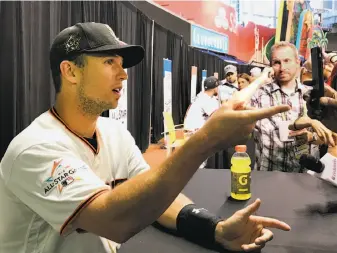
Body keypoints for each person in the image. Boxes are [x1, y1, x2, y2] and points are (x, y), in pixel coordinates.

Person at [0, 22, 291, 253]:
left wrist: (215, 229)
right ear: (70, 71)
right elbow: (114, 221)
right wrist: (205, 140)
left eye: (121, 63)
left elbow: (154, 197)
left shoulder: (113, 132)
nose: (123, 74)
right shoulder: (35, 148)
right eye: (109, 62)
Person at [251, 41, 334, 172]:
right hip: (268, 174)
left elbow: (326, 137)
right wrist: (260, 80)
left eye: (287, 60)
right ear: (270, 66)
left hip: (303, 177)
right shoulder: (258, 95)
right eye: (276, 62)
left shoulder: (311, 96)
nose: (282, 67)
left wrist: (312, 138)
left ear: (297, 62)